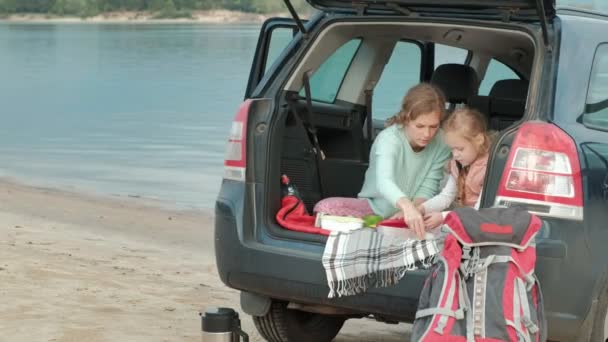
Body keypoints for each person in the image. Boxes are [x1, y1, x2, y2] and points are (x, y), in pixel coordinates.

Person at [313, 83, 451, 238]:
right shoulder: (389, 139)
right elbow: (385, 181)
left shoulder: (442, 141)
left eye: (434, 126)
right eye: (420, 126)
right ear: (406, 119)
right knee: (324, 207)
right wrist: (406, 207)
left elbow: (429, 186)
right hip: (375, 209)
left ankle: (380, 229)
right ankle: (376, 225)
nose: (427, 134)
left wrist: (413, 210)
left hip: (416, 211)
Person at [418, 107, 492, 230]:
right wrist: (421, 208)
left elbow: (480, 211)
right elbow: (446, 196)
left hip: (481, 225)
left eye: (460, 149)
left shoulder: (489, 169)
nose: (455, 154)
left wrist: (443, 217)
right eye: (452, 149)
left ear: (479, 140)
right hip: (464, 221)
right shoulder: (457, 165)